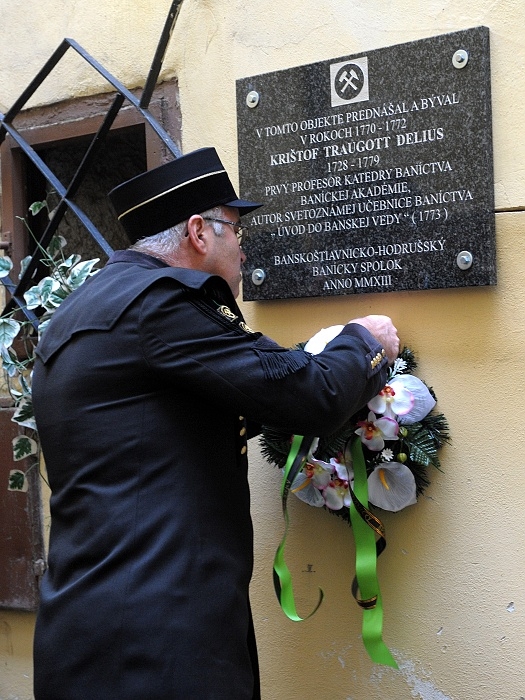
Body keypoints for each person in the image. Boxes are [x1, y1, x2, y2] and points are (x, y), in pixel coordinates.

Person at [31, 146, 399, 700]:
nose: (244, 247)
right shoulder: (162, 305)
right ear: (199, 232)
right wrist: (365, 342)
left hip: (85, 631)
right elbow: (311, 395)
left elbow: (169, 428)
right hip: (156, 647)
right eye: (236, 229)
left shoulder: (82, 310)